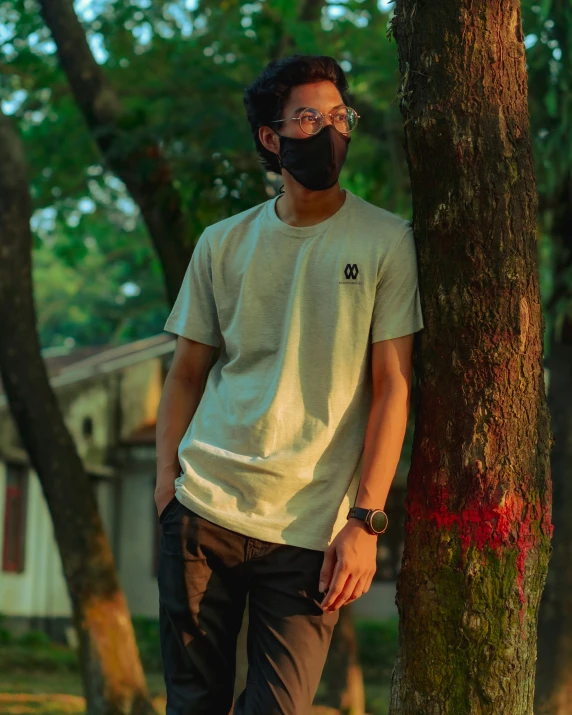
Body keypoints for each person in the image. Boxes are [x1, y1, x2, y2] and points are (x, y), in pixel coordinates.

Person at [155, 54, 424, 715]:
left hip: (310, 531)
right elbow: (186, 372)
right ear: (272, 138)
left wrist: (366, 519)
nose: (328, 130)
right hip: (205, 509)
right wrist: (168, 485)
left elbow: (393, 386)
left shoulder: (387, 240)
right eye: (308, 117)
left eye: (339, 116)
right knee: (193, 703)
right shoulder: (223, 243)